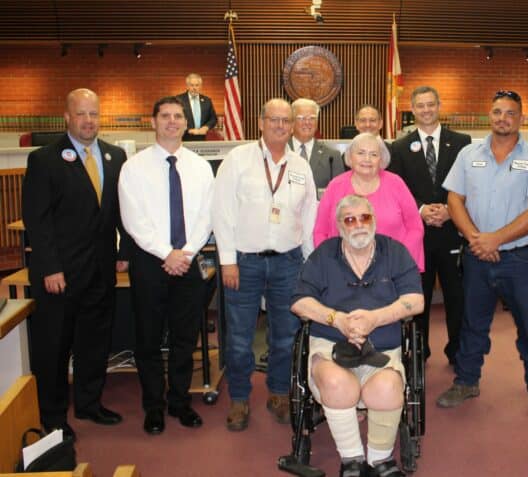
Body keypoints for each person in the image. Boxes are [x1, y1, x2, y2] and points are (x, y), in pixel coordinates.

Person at [437, 90, 528, 422]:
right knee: (472, 323)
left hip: (520, 260)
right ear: (489, 114)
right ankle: (466, 381)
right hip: (477, 256)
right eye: (497, 111)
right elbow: (454, 200)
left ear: (521, 119)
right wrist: (478, 240)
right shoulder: (468, 154)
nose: (503, 118)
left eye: (510, 113)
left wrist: (496, 240)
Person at [22, 88, 130, 441]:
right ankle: (53, 418)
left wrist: (123, 252)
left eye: (94, 114)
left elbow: (121, 213)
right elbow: (37, 221)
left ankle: (89, 403)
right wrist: (50, 267)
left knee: (94, 342)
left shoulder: (115, 157)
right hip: (60, 274)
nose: (88, 121)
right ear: (66, 117)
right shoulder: (45, 160)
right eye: (81, 114)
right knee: (54, 347)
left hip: (101, 270)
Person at [291, 195, 424, 477]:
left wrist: (376, 318)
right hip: (331, 344)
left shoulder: (395, 252)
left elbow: (416, 299)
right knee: (338, 383)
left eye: (365, 218)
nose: (358, 225)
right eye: (350, 220)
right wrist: (336, 319)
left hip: (383, 346)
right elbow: (299, 302)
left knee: (387, 387)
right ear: (340, 225)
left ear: (374, 220)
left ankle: (380, 460)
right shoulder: (324, 254)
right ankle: (352, 459)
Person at [212, 98, 317, 432]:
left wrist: (309, 262)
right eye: (274, 119)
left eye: (287, 121)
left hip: (289, 262)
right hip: (245, 263)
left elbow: (309, 216)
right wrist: (227, 260)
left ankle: (278, 394)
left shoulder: (300, 166)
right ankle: (240, 398)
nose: (281, 126)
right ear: (260, 122)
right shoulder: (237, 159)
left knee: (285, 335)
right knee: (240, 337)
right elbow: (222, 212)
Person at [118, 96, 214, 435]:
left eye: (178, 116)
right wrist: (166, 253)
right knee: (147, 339)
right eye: (165, 116)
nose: (172, 121)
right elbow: (133, 219)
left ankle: (179, 402)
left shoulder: (200, 168)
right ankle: (154, 407)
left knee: (185, 339)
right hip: (149, 263)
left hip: (187, 261)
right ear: (154, 122)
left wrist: (184, 252)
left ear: (186, 124)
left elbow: (206, 216)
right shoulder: (133, 167)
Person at [389, 86, 471, 363]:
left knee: (456, 296)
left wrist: (451, 209)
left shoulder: (461, 142)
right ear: (412, 109)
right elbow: (397, 189)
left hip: (452, 230)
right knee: (418, 296)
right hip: (417, 234)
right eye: (420, 105)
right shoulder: (399, 148)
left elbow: (468, 183)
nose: (426, 110)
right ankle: (418, 352)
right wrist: (421, 209)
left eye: (430, 104)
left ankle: (457, 351)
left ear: (439, 106)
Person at [313, 132, 424, 272]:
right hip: (343, 269)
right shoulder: (335, 186)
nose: (367, 159)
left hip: (392, 268)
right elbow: (320, 231)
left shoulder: (396, 183)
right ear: (350, 157)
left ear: (381, 159)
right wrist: (330, 263)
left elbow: (415, 228)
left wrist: (400, 259)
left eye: (374, 154)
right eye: (361, 153)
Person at [288, 98, 343, 190]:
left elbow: (339, 192)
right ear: (291, 121)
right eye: (301, 118)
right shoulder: (279, 151)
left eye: (312, 118)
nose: (307, 122)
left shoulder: (332, 156)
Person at [176, 73, 218, 141]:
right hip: (184, 138)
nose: (194, 88)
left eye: (197, 85)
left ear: (200, 86)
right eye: (192, 85)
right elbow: (175, 118)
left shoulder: (207, 100)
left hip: (203, 138)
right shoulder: (178, 100)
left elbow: (213, 118)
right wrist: (188, 129)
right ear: (187, 86)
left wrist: (206, 127)